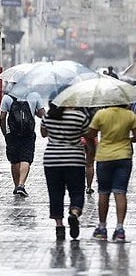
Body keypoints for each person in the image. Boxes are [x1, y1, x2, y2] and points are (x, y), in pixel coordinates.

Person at [40, 103, 91, 240]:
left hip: (52, 160)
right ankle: (74, 213)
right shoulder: (80, 117)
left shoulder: (49, 116)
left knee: (55, 193)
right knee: (77, 191)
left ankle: (59, 226)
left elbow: (43, 134)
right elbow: (88, 136)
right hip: (75, 159)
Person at [86, 104, 136, 242]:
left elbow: (90, 134)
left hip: (104, 157)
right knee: (120, 192)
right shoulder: (130, 115)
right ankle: (119, 229)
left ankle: (102, 229)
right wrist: (128, 139)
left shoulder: (101, 114)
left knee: (103, 193)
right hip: (124, 157)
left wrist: (92, 147)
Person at [0, 92, 45, 197]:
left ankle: (16, 186)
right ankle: (21, 184)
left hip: (13, 133)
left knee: (15, 160)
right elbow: (43, 114)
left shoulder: (7, 98)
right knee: (26, 158)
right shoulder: (34, 96)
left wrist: (5, 133)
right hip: (28, 133)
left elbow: (2, 118)